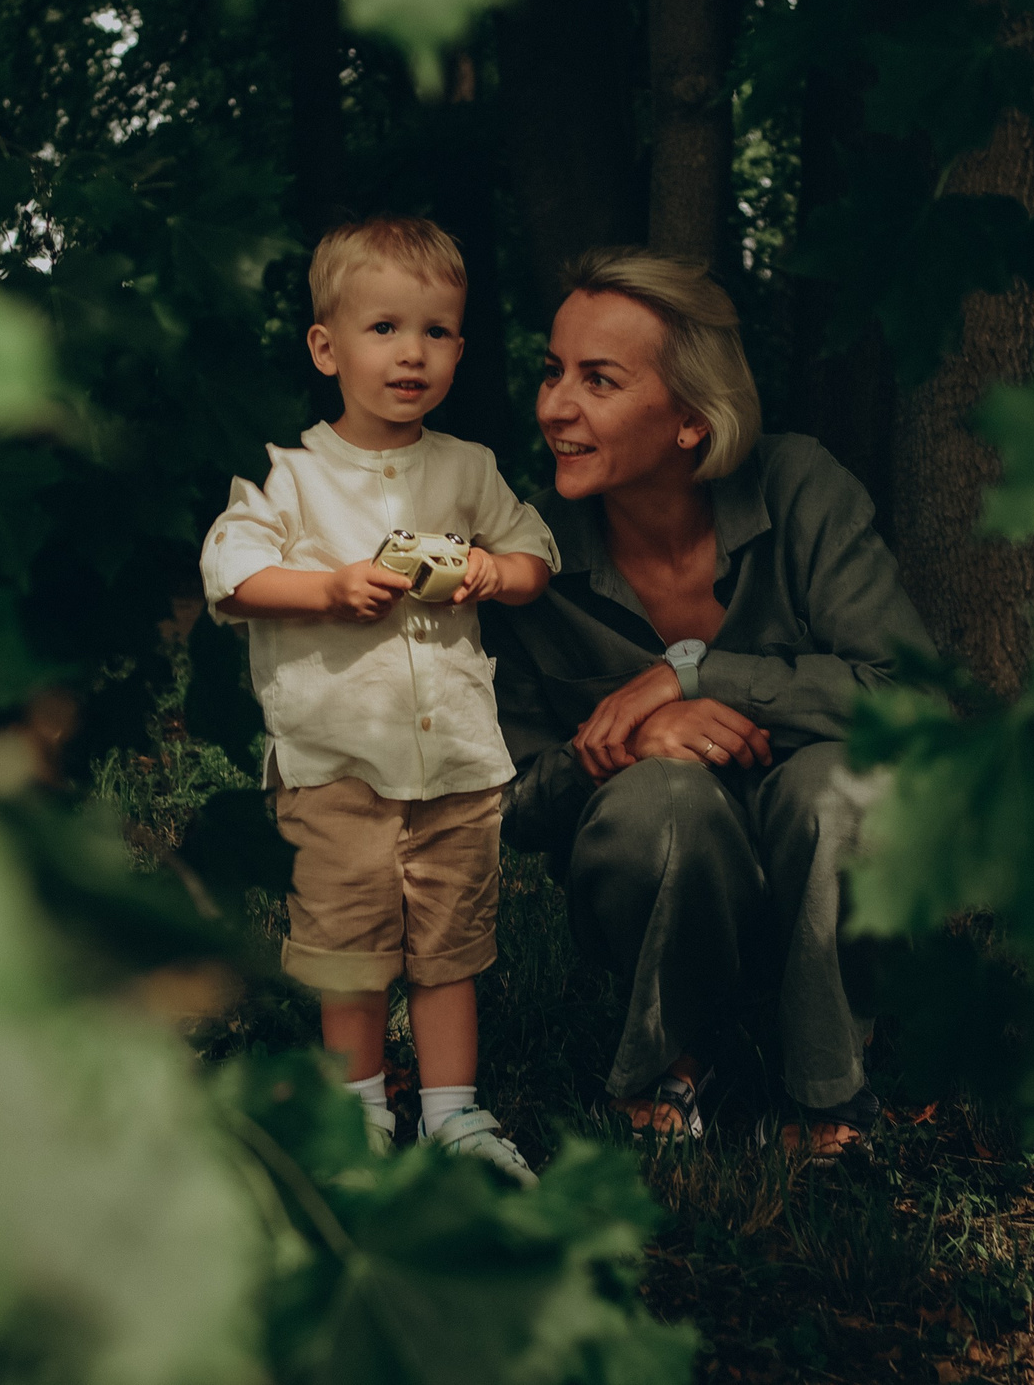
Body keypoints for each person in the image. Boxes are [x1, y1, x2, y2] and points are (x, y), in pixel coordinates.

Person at [485, 248, 935, 1156]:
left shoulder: (801, 488)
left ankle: (831, 1084)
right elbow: (514, 810)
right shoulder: (524, 555)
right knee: (663, 800)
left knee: (834, 789)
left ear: (691, 419)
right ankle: (674, 1059)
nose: (553, 407)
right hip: (658, 893)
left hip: (818, 865)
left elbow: (912, 702)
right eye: (551, 372)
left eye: (597, 380)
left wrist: (698, 673)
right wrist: (617, 744)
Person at [201, 217, 559, 1185]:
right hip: (336, 764)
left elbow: (537, 557)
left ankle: (454, 1111)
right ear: (327, 346)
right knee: (349, 946)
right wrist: (324, 587)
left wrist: (492, 568)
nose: (413, 353)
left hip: (454, 762)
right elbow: (229, 571)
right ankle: (356, 1108)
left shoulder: (467, 467)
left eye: (437, 331)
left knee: (450, 944)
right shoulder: (291, 473)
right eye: (386, 328)